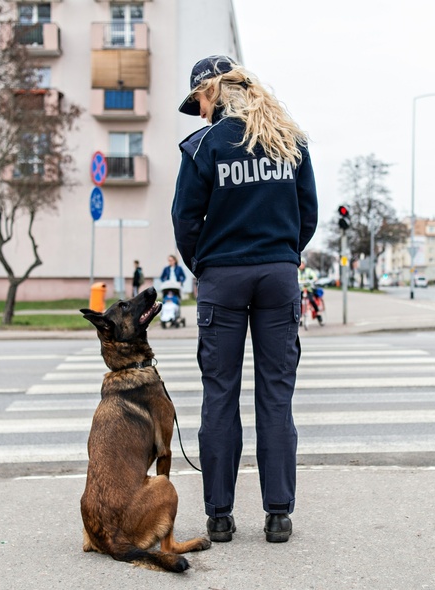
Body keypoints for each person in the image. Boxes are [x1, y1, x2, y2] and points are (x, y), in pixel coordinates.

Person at [172, 55, 317, 544]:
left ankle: (219, 516)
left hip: (223, 278)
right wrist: (282, 256)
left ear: (210, 93)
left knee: (220, 394)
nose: (199, 113)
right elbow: (308, 213)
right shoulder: (288, 139)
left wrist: (206, 266)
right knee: (276, 394)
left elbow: (185, 220)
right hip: (278, 275)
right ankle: (278, 514)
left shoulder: (204, 147)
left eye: (198, 102)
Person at [297, 259, 323, 325]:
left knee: (311, 299)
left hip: (308, 289)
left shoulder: (308, 271)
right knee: (298, 302)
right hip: (300, 289)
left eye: (302, 263)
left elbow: (314, 276)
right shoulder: (297, 271)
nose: (301, 265)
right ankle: (300, 317)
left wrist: (314, 279)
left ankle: (318, 312)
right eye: (300, 263)